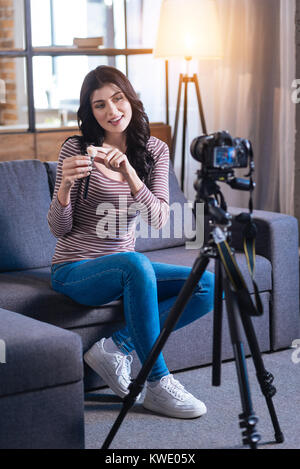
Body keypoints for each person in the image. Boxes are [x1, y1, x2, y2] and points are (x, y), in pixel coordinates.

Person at [48, 65, 214, 419]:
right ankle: (157, 383)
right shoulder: (76, 148)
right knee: (135, 264)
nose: (112, 111)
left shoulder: (154, 150)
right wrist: (63, 187)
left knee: (209, 283)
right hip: (74, 269)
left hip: (125, 267)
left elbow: (158, 219)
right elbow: (59, 230)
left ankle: (114, 348)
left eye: (117, 99)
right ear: (89, 112)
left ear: (130, 98)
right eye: (99, 105)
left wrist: (130, 174)